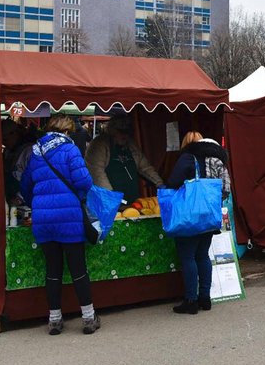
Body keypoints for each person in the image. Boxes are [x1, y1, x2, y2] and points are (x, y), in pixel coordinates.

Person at [19, 113, 99, 335]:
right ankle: (89, 318)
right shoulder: (70, 149)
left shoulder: (35, 152)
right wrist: (78, 197)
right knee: (78, 270)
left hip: (43, 219)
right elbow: (84, 181)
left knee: (52, 270)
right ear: (66, 131)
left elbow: (25, 185)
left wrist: (37, 202)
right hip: (69, 219)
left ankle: (54, 320)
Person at [165, 131, 231, 314]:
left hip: (190, 216)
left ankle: (191, 300)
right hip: (210, 216)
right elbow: (226, 189)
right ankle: (205, 298)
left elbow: (173, 182)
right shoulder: (218, 160)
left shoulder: (188, 157)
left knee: (188, 257)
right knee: (203, 255)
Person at [86, 113, 164, 203]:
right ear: (112, 130)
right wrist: (111, 196)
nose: (124, 135)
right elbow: (97, 173)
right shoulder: (99, 145)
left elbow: (145, 167)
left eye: (127, 132)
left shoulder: (131, 145)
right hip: (107, 202)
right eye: (120, 132)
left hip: (132, 200)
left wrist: (159, 183)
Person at [1, 119, 35, 207]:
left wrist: (19, 198)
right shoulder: (8, 151)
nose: (3, 143)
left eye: (5, 139)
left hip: (25, 202)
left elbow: (34, 179)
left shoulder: (29, 151)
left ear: (15, 134)